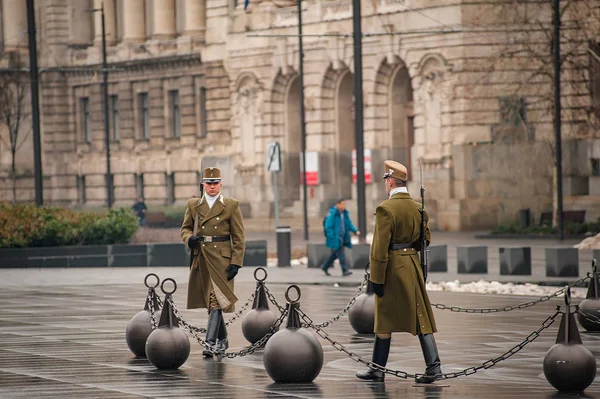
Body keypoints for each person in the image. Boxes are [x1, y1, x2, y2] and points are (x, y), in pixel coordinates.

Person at [355, 160, 441, 384]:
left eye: (386, 181)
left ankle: (377, 369)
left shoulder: (386, 209)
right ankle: (434, 366)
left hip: (392, 267)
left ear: (391, 182)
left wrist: (376, 278)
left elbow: (379, 248)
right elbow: (426, 240)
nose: (386, 184)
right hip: (411, 264)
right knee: (420, 315)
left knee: (384, 318)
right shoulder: (418, 208)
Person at [180, 167, 246, 357]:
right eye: (208, 183)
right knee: (212, 303)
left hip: (222, 260)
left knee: (216, 301)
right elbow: (184, 229)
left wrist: (236, 262)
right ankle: (223, 340)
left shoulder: (231, 205)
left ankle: (209, 344)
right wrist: (189, 239)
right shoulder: (194, 205)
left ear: (221, 184)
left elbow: (239, 236)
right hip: (201, 258)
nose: (212, 187)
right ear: (203, 185)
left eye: (215, 183)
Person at [322, 198, 360, 277]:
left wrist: (355, 230)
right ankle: (345, 270)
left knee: (335, 255)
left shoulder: (344, 214)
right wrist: (331, 236)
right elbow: (328, 226)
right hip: (336, 238)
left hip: (342, 237)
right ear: (337, 204)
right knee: (341, 254)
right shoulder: (333, 214)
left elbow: (349, 224)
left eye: (344, 204)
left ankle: (325, 266)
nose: (344, 206)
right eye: (342, 204)